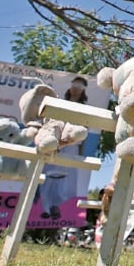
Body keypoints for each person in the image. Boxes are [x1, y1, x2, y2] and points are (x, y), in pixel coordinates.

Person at [39, 77, 89, 220]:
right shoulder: (60, 103)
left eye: (79, 86)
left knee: (63, 177)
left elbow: (84, 129)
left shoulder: (84, 108)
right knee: (47, 176)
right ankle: (46, 207)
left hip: (72, 145)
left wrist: (80, 154)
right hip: (54, 143)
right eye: (74, 85)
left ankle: (55, 205)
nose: (76, 88)